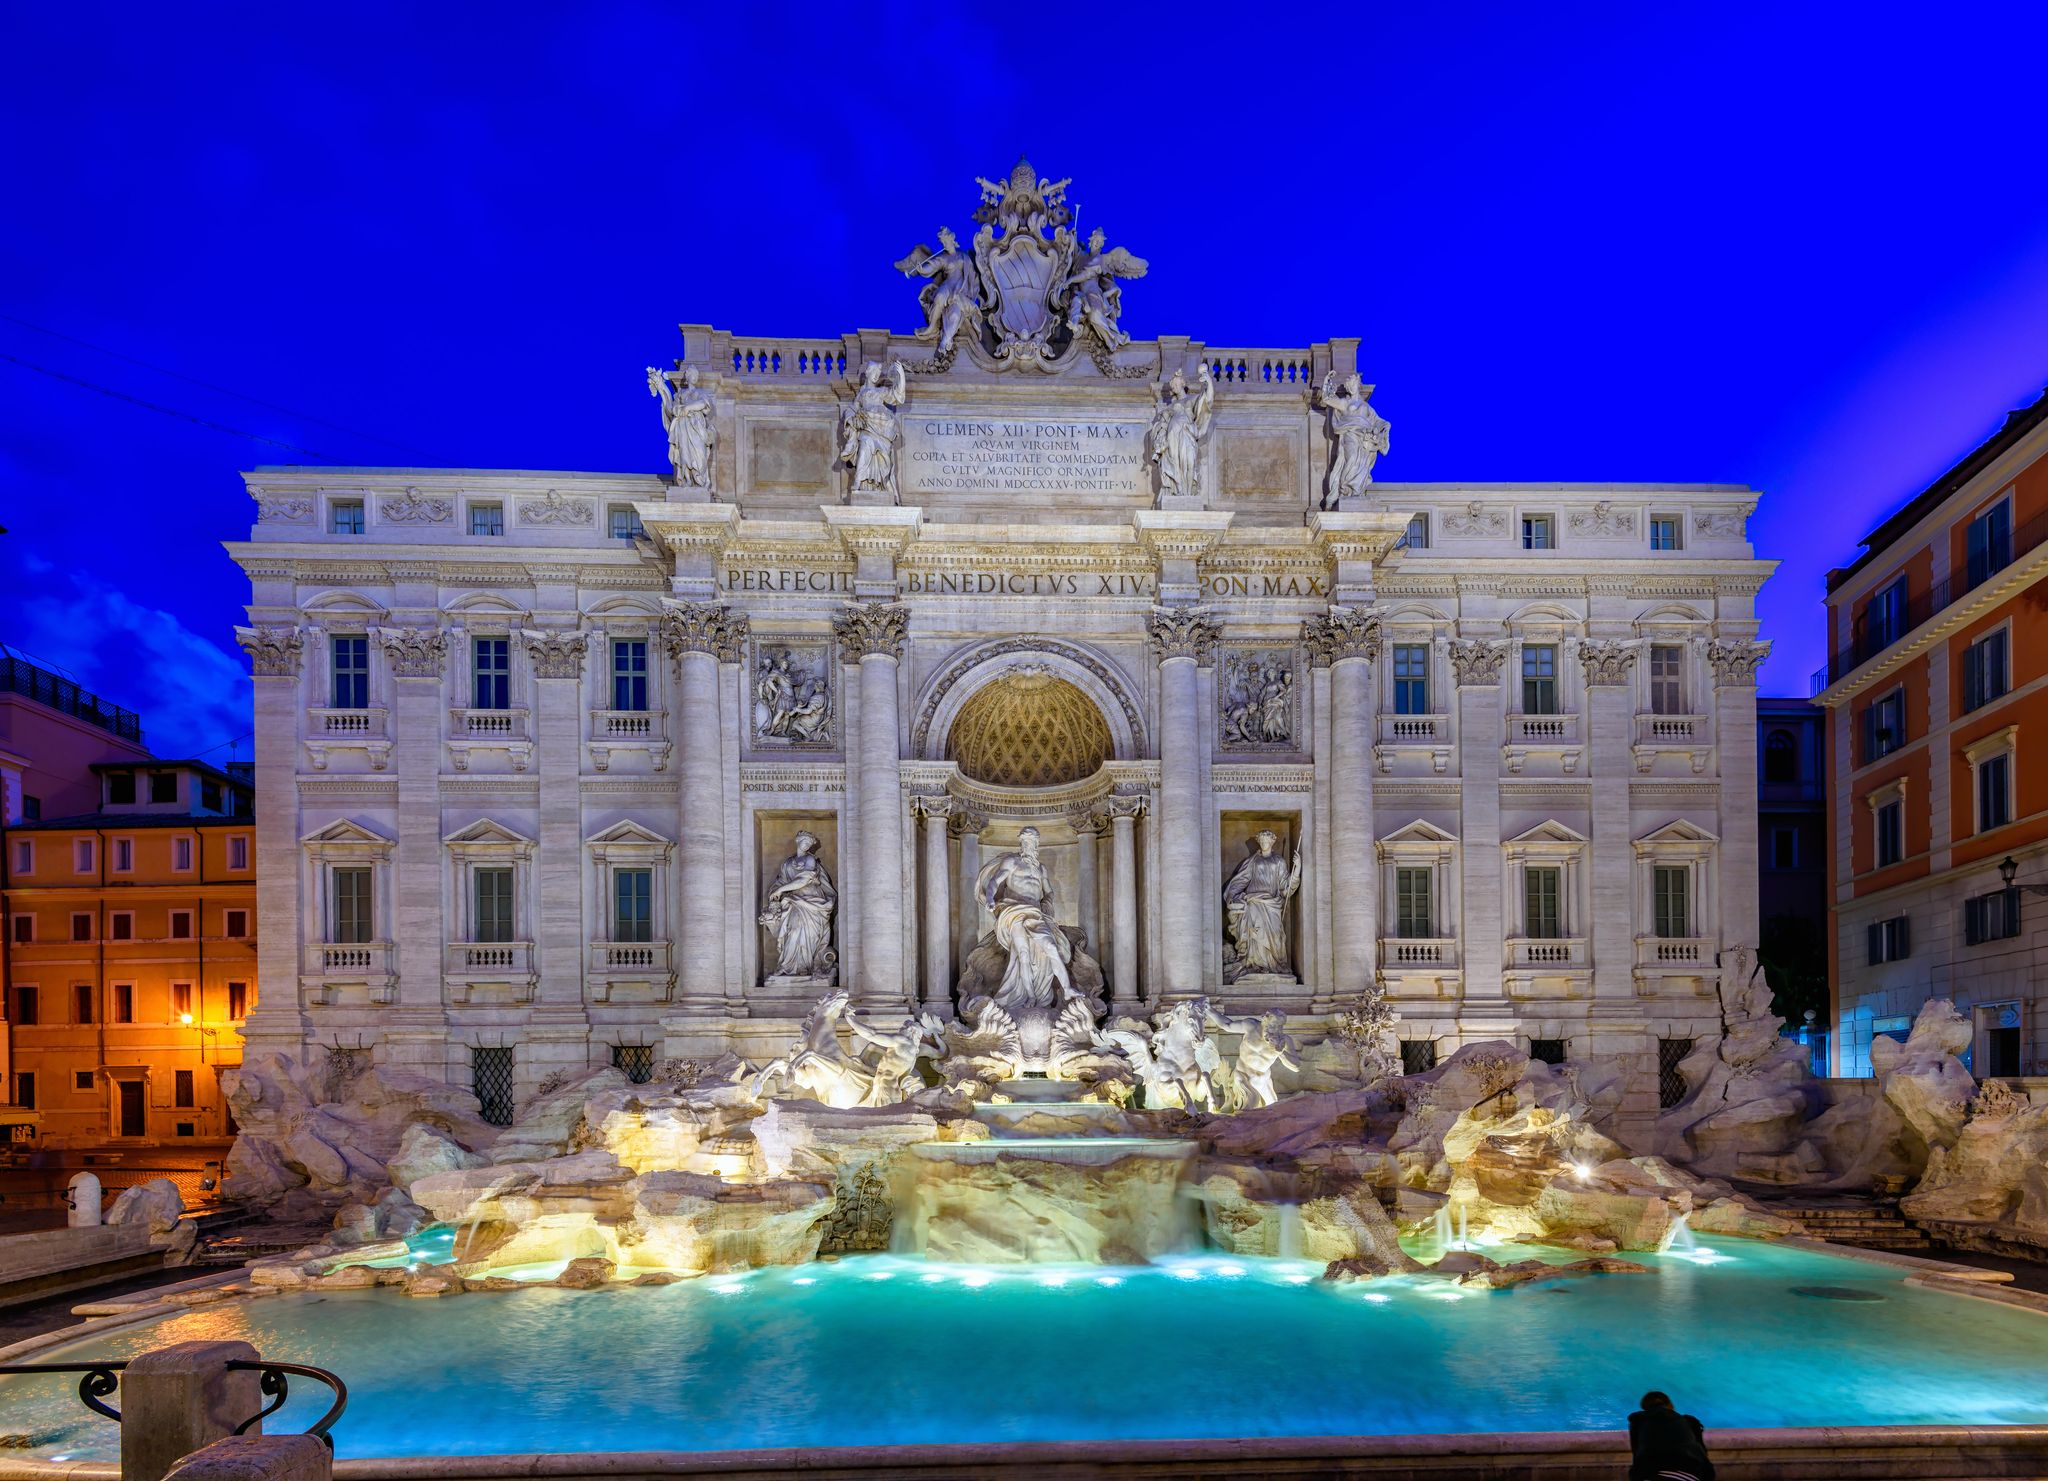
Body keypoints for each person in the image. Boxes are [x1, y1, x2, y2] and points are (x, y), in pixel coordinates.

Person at [1627, 1391, 1715, 1481]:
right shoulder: (1689, 1421)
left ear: (1645, 1407)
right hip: (1688, 1474)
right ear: (1670, 1404)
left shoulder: (1638, 1422)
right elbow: (1703, 1457)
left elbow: (1637, 1457)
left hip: (1651, 1475)